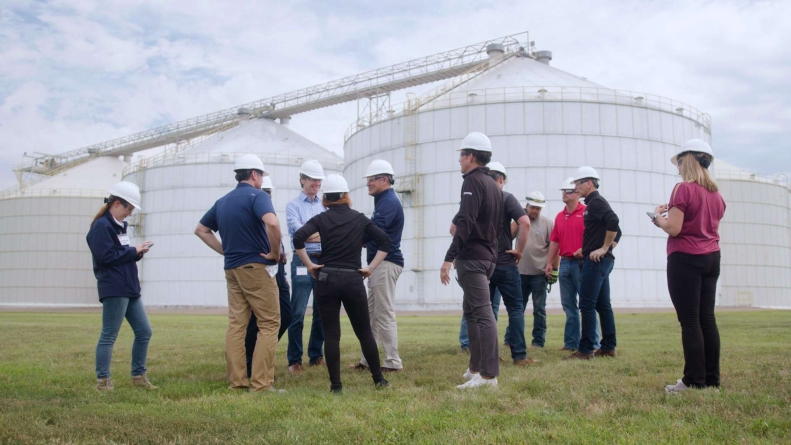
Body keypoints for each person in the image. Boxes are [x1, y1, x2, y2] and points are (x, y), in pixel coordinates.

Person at [293, 174, 392, 393]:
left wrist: (309, 265)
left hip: (326, 279)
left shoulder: (321, 219)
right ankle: (379, 380)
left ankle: (336, 386)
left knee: (331, 335)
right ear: (346, 195)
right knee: (364, 332)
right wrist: (370, 268)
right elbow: (385, 241)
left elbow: (298, 237)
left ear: (325, 198)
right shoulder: (359, 218)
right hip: (352, 279)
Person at [194, 154, 283, 392]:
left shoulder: (222, 201)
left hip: (232, 269)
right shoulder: (258, 196)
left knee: (236, 325)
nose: (262, 180)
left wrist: (225, 250)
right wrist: (275, 253)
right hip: (255, 268)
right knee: (269, 323)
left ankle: (237, 382)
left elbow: (201, 230)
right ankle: (261, 384)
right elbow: (273, 223)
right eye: (261, 175)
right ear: (254, 174)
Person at [652, 139, 725, 393]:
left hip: (686, 258)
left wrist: (658, 217)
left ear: (689, 160)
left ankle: (693, 380)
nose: (678, 167)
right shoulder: (716, 195)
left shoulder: (682, 189)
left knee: (690, 320)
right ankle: (711, 379)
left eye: (680, 162)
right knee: (707, 318)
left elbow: (674, 228)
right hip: (711, 257)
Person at [440, 131, 504, 389]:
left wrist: (449, 258)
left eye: (462, 155)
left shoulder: (472, 182)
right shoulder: (493, 185)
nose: (459, 160)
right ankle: (475, 367)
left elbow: (464, 223)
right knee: (472, 312)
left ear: (471, 157)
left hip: (473, 259)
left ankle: (488, 375)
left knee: (483, 314)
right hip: (487, 258)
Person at [458, 162, 533, 365]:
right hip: (506, 262)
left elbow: (455, 228)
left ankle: (486, 355)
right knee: (515, 309)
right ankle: (519, 356)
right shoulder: (506, 198)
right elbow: (525, 223)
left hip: (482, 264)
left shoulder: (474, 198)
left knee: (483, 312)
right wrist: (519, 250)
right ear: (501, 179)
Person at [87, 181, 156, 391]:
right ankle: (103, 381)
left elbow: (119, 255)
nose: (130, 213)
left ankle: (138, 376)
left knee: (144, 331)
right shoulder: (101, 226)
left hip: (129, 286)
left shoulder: (118, 226)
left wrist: (136, 254)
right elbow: (105, 256)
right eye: (129, 208)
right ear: (117, 203)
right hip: (114, 288)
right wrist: (133, 251)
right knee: (109, 335)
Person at [351, 160, 406, 372]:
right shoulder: (383, 201)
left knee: (383, 313)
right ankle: (368, 360)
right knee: (372, 315)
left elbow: (376, 232)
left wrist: (351, 238)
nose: (367, 183)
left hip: (385, 263)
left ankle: (393, 362)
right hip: (380, 263)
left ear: (384, 180)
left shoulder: (388, 202)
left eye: (371, 179)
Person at [565, 166, 622, 360]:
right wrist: (596, 247)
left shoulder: (596, 202)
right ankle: (608, 347)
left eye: (578, 183)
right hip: (600, 261)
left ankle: (586, 350)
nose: (575, 187)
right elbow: (617, 230)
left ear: (589, 183)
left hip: (596, 262)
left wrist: (604, 248)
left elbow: (614, 221)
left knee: (586, 304)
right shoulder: (594, 204)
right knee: (603, 305)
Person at [544, 178, 601, 352]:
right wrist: (549, 263)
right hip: (565, 263)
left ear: (577, 193)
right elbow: (555, 241)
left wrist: (585, 249)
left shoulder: (586, 212)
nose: (564, 194)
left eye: (568, 191)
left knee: (586, 304)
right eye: (563, 191)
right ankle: (571, 343)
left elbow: (595, 236)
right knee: (568, 306)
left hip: (582, 263)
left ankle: (593, 343)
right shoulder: (559, 216)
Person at [245, 176, 293, 378]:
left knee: (286, 315)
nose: (267, 196)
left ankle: (260, 355)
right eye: (264, 192)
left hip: (278, 271)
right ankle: (250, 363)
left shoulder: (268, 212)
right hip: (263, 270)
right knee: (258, 320)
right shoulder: (251, 214)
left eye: (268, 192)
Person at [285, 159, 327, 374]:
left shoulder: (324, 205)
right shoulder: (293, 206)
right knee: (298, 312)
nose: (317, 183)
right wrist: (318, 234)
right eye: (313, 179)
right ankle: (294, 360)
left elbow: (328, 233)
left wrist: (309, 234)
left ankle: (316, 355)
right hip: (302, 261)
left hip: (323, 260)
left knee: (321, 312)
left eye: (319, 180)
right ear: (302, 180)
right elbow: (297, 234)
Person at [510, 191, 555, 349]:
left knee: (539, 310)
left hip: (539, 274)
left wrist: (553, 268)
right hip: (520, 273)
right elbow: (508, 235)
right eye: (532, 208)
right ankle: (511, 339)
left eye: (538, 208)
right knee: (517, 309)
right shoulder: (519, 221)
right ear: (526, 206)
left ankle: (538, 341)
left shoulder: (548, 224)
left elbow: (554, 247)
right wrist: (518, 218)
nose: (535, 211)